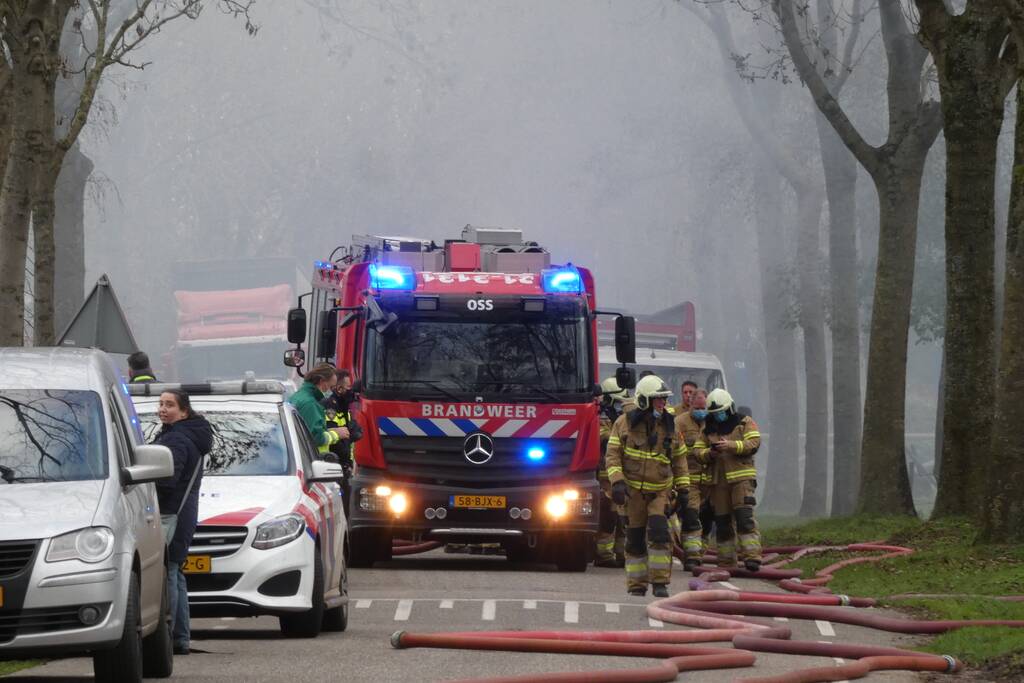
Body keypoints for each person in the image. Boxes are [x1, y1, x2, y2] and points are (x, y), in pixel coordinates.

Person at [605, 374, 689, 598]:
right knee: (634, 540)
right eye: (658, 399)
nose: (663, 404)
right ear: (644, 400)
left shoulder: (670, 425)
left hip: (660, 491)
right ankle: (636, 585)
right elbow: (612, 456)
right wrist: (618, 483)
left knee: (660, 534)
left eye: (664, 399)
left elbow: (680, 459)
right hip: (632, 493)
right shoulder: (623, 424)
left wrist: (684, 490)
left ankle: (660, 583)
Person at [153, 389, 212, 655]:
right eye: (161, 404)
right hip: (183, 512)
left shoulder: (176, 439)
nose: (163, 409)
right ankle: (179, 638)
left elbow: (167, 480)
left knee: (170, 573)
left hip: (170, 513)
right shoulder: (185, 435)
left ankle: (167, 637)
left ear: (184, 411)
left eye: (170, 405)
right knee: (176, 573)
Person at [701, 388, 762, 572]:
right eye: (715, 414)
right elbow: (697, 451)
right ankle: (726, 561)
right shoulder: (708, 429)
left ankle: (752, 557)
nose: (719, 417)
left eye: (721, 412)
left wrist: (731, 445)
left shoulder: (744, 423)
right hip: (718, 482)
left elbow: (754, 444)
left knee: (745, 518)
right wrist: (709, 453)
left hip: (742, 480)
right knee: (722, 522)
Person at [594, 377, 632, 568]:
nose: (619, 407)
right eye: (617, 402)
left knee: (622, 517)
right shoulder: (599, 419)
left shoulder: (621, 421)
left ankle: (621, 553)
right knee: (608, 518)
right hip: (604, 477)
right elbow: (605, 439)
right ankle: (603, 555)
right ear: (608, 400)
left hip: (621, 476)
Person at [673, 388, 708, 570]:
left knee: (709, 517)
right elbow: (676, 453)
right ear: (690, 405)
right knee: (691, 515)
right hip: (691, 478)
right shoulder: (680, 423)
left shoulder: (712, 422)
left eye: (704, 407)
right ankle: (692, 556)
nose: (701, 410)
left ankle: (702, 550)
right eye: (698, 407)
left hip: (710, 480)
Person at [321, 368, 363, 510]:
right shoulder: (331, 406)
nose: (352, 392)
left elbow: (352, 432)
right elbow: (335, 435)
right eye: (348, 387)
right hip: (334, 466)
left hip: (344, 466)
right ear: (339, 389)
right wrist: (349, 435)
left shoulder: (344, 408)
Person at [289, 364, 348, 452]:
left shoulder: (299, 396)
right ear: (322, 381)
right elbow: (316, 438)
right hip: (312, 460)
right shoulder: (310, 403)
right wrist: (337, 434)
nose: (331, 391)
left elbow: (307, 430)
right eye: (331, 387)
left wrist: (328, 430)